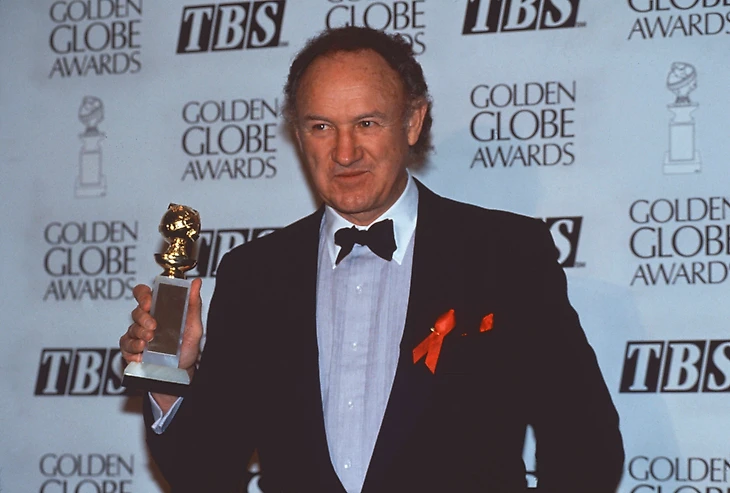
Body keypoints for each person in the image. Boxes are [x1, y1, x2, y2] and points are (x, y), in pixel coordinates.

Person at [121, 26, 624, 492]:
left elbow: (585, 442)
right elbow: (202, 471)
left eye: (366, 122)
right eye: (321, 126)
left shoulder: (505, 255)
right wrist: (169, 376)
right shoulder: (254, 274)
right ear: (299, 134)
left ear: (412, 122)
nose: (345, 152)